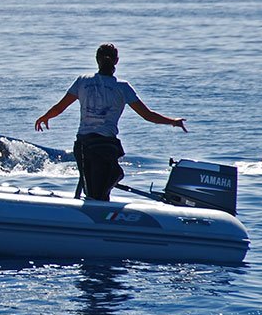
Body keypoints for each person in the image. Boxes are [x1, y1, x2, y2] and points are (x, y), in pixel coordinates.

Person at [35, 44, 187, 201]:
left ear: (96, 60)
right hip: (106, 145)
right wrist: (173, 122)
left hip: (83, 145)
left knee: (95, 191)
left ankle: (98, 214)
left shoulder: (82, 81)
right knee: (98, 192)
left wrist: (45, 117)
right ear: (117, 61)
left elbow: (60, 107)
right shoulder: (122, 87)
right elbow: (147, 115)